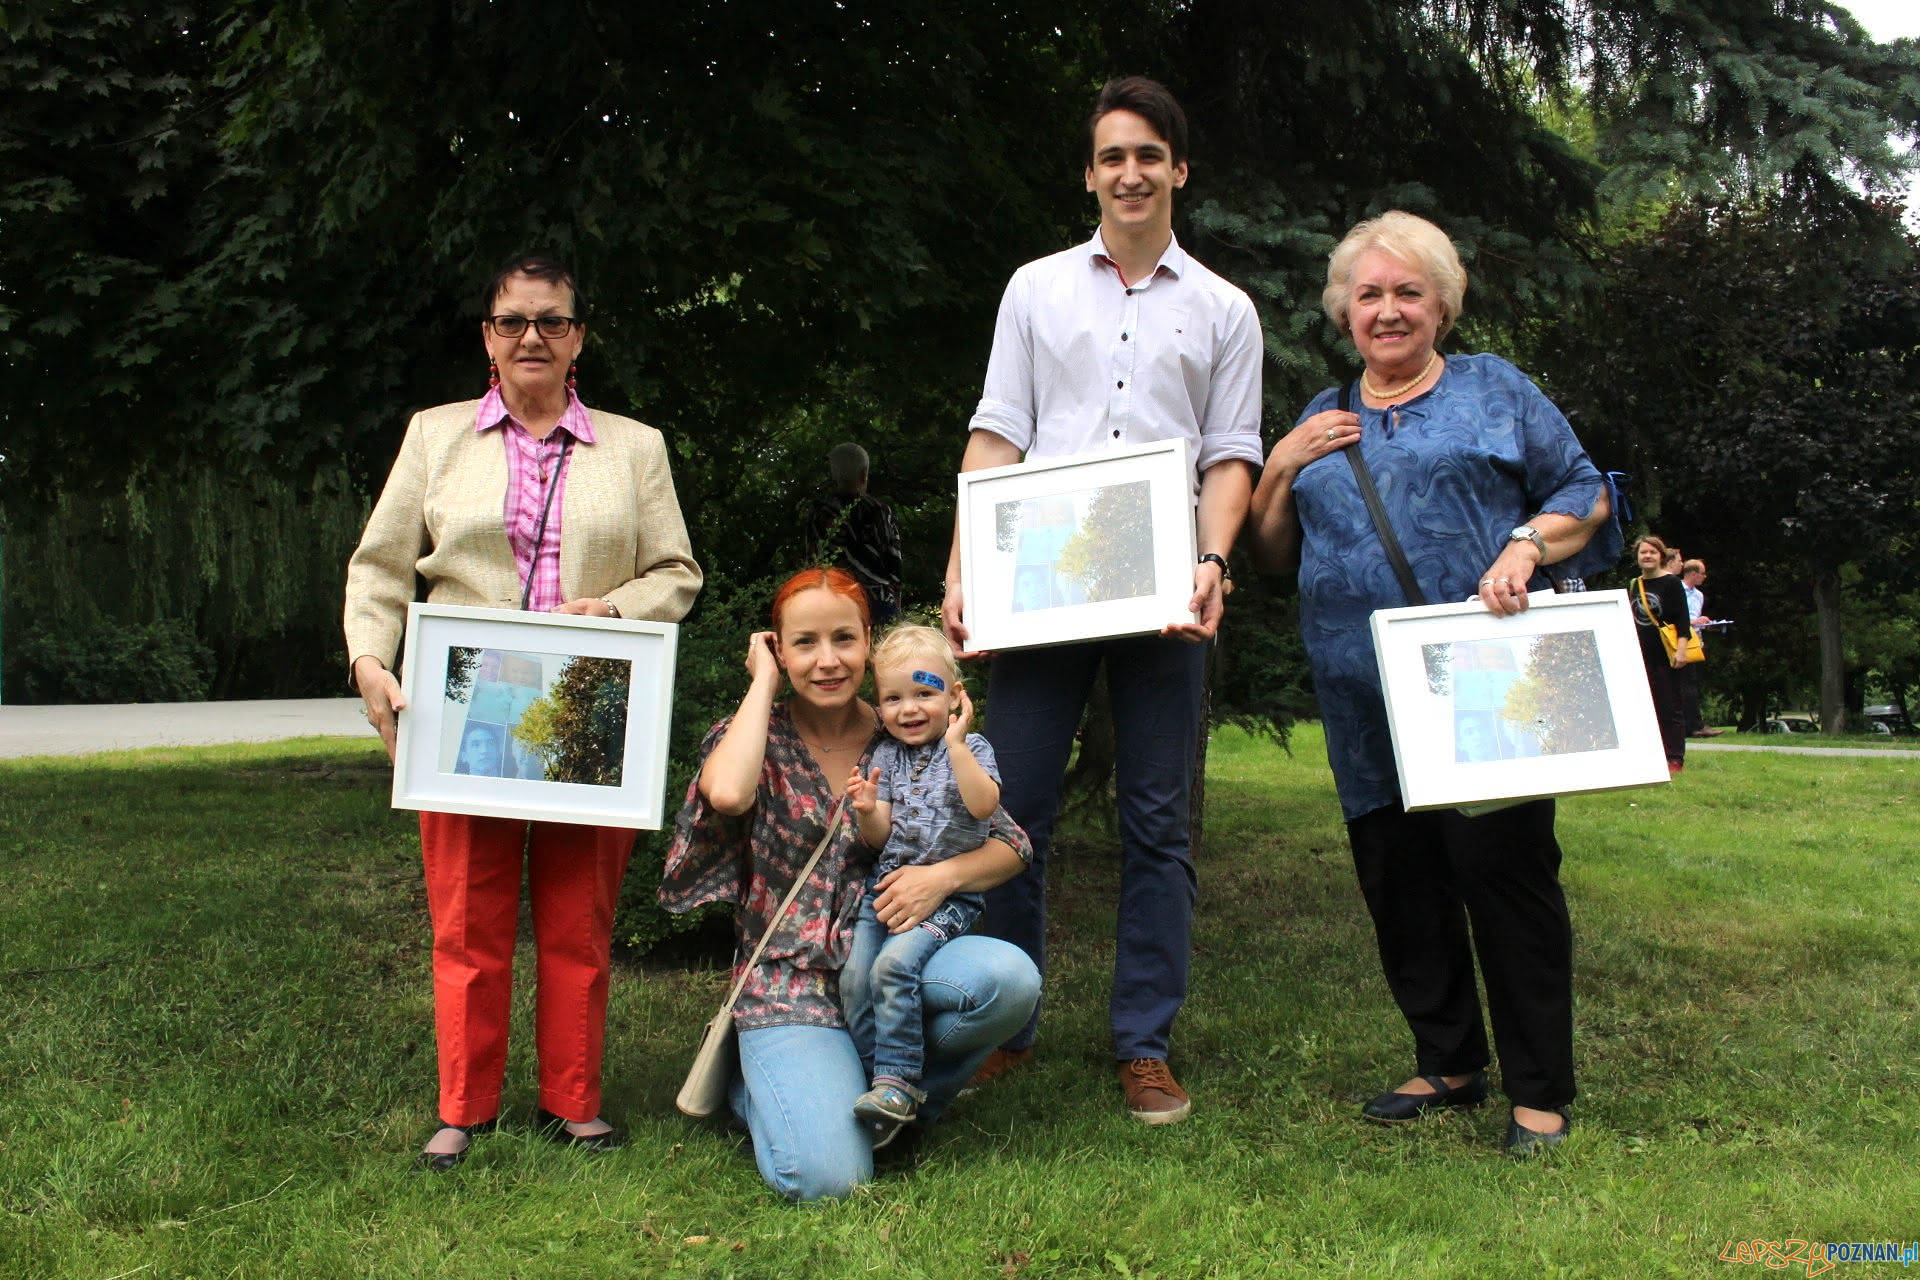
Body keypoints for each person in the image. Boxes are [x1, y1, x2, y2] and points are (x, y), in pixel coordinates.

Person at [1245, 210, 1617, 1156]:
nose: (1388, 310)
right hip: (1362, 700)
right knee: (1400, 883)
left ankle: (1539, 1091)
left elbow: (1585, 490)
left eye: (1408, 291)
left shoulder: (1496, 390)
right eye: (1369, 294)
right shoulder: (1320, 416)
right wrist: (1281, 467)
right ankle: (1448, 1059)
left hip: (1484, 688)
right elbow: (1275, 551)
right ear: (1344, 313)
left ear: (1442, 304)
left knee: (1506, 879)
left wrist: (1525, 546)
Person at [941, 75, 1262, 1125]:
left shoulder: (1225, 309)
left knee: (1159, 821)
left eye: (1149, 154)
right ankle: (1008, 1023)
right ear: (1090, 173)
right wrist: (960, 566)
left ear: (1179, 169)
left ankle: (1143, 1043)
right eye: (1112, 155)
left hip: (1165, 591)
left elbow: (1229, 456)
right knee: (1014, 806)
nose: (1131, 171)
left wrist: (1213, 559)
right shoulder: (1034, 289)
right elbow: (998, 435)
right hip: (1040, 589)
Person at [344, 252, 702, 1171]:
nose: (531, 337)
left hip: (590, 692)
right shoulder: (436, 438)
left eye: (551, 320)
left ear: (577, 336)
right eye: (513, 322)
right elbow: (381, 566)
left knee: (579, 912)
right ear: (488, 338)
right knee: (468, 913)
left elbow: (678, 573)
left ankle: (572, 1100)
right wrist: (368, 661)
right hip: (465, 700)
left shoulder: (634, 446)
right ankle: (464, 1105)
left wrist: (614, 609)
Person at [660, 568, 1040, 1202]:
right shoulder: (758, 737)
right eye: (804, 643)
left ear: (869, 643)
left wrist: (940, 876)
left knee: (1008, 981)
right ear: (778, 649)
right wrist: (762, 685)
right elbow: (726, 794)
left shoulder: (911, 731)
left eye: (844, 639)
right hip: (791, 982)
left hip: (894, 951)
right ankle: (763, 1085)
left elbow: (1013, 845)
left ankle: (905, 1101)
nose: (828, 660)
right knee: (829, 1178)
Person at [843, 624, 1001, 1131]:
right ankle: (876, 1080)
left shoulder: (972, 749)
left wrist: (955, 745)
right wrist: (868, 809)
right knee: (853, 977)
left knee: (893, 968)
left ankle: (898, 1081)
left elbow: (984, 806)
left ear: (955, 697)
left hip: (948, 900)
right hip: (887, 887)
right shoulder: (886, 756)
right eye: (893, 698)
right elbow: (881, 833)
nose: (908, 709)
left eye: (924, 694)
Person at [806, 442, 905, 624]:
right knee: (883, 651)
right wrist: (896, 601)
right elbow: (893, 560)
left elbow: (814, 561)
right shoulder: (880, 511)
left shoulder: (819, 514)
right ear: (863, 474)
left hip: (833, 599)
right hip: (879, 601)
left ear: (833, 475)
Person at [1631, 535, 1693, 770]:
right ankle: (1652, 755)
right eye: (1643, 552)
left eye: (1652, 552)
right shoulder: (1634, 584)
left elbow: (1683, 620)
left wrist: (1681, 650)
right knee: (1647, 706)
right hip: (1641, 655)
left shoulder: (1671, 583)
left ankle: (1675, 757)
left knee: (1671, 706)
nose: (1647, 556)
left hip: (1667, 654)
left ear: (1661, 556)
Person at [1680, 558, 1720, 737]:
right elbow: (1673, 619)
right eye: (1702, 573)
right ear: (1693, 574)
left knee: (1692, 683)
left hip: (1694, 642)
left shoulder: (1699, 595)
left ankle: (1694, 724)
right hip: (1678, 641)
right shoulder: (1676, 590)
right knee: (1684, 684)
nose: (1704, 577)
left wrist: (1703, 624)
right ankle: (1691, 725)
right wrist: (1694, 621)